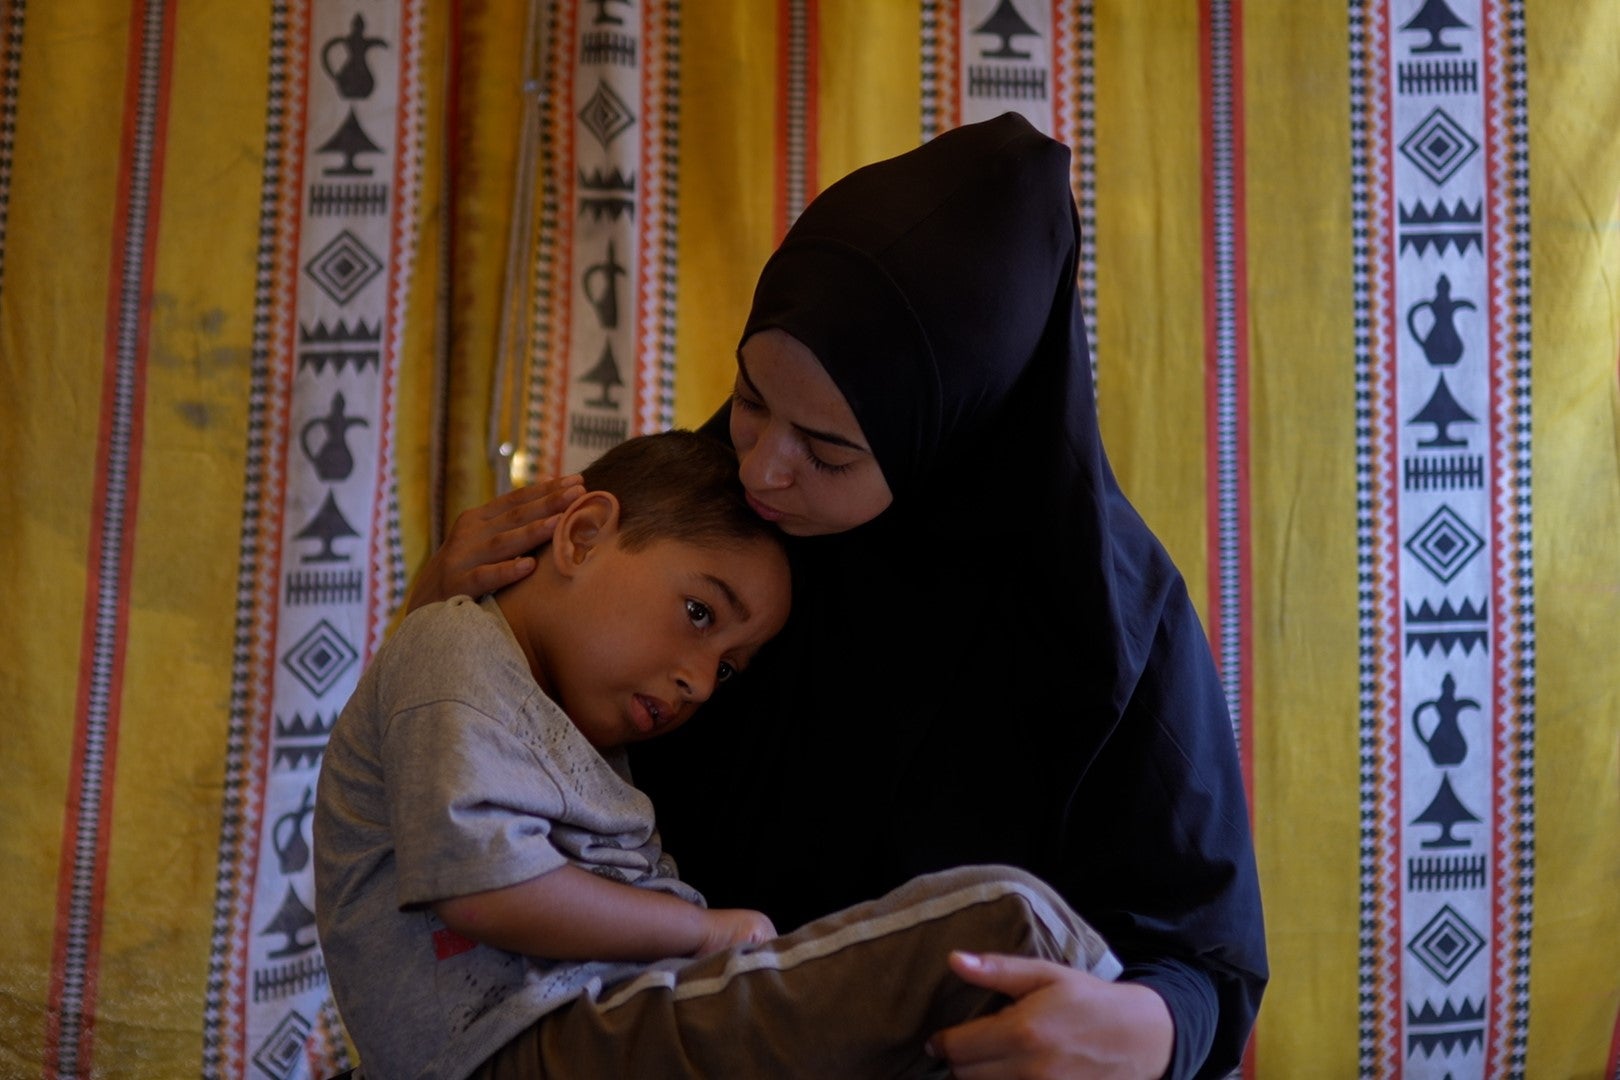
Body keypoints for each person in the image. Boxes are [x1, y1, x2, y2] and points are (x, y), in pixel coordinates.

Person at [410, 113, 1268, 1079]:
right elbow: (467, 786)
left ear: (953, 436)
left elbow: (1209, 960)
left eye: (828, 450)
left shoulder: (1110, 622)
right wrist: (452, 620)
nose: (765, 472)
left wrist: (1143, 1030)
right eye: (749, 398)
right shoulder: (696, 524)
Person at [316, 429, 1124, 1080]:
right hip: (524, 1044)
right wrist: (702, 935)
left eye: (730, 667)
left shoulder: (568, 724)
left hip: (590, 1022)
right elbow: (485, 889)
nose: (702, 683)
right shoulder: (450, 640)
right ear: (585, 533)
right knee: (1001, 924)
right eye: (701, 612)